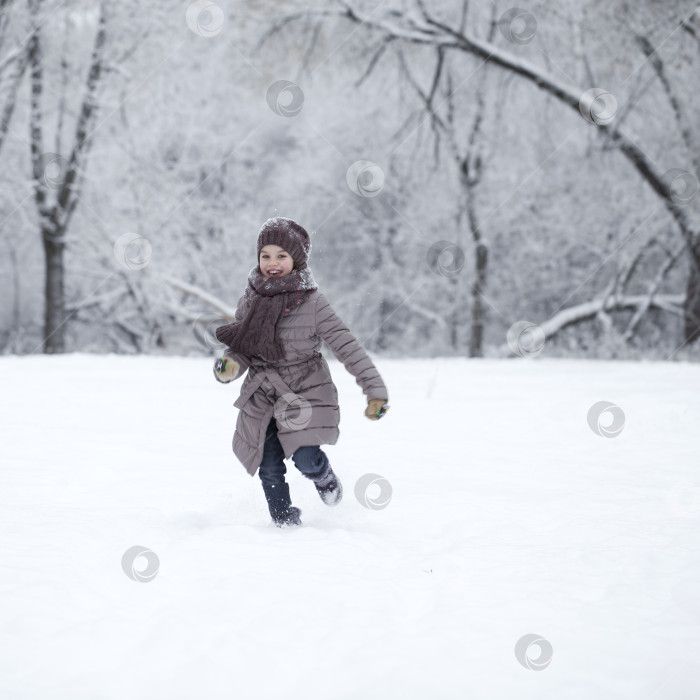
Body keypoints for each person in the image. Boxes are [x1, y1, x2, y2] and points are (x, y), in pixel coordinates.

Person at [213, 217, 389, 527]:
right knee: (268, 464)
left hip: (304, 391)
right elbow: (243, 347)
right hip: (263, 394)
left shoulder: (314, 303)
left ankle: (323, 475)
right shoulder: (250, 300)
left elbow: (348, 348)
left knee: (305, 457)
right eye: (265, 255)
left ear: (297, 259)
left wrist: (374, 391)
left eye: (281, 255)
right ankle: (284, 522)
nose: (273, 263)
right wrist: (230, 367)